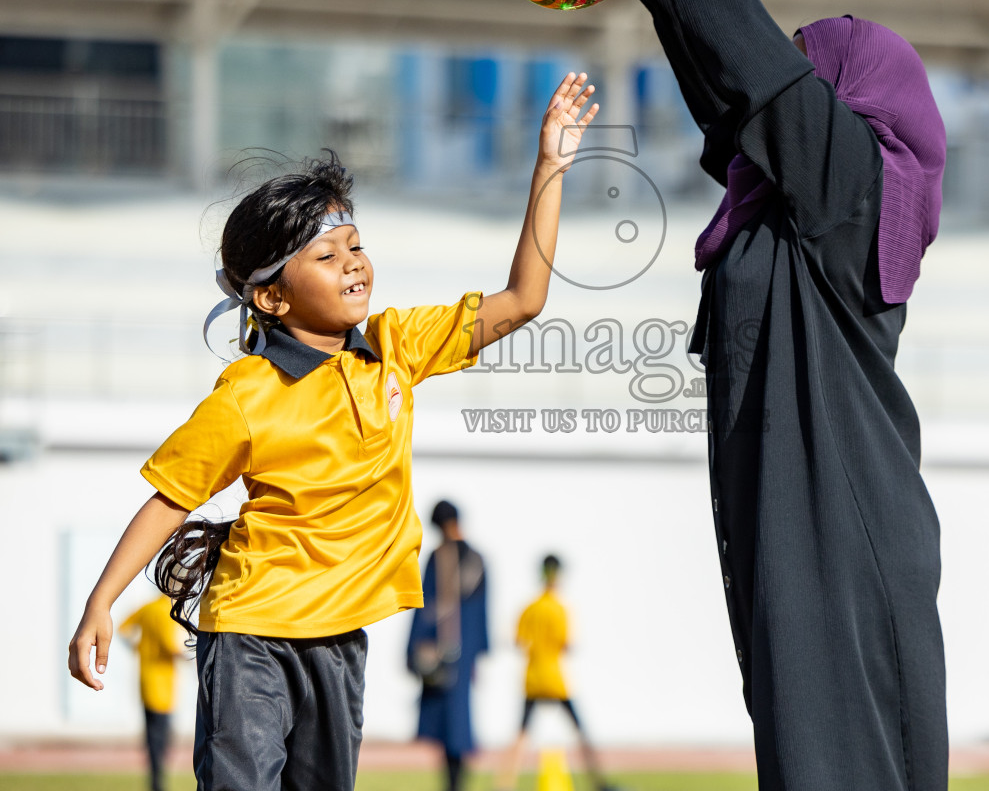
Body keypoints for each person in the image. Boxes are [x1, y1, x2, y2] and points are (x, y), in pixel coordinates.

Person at [64, 72, 601, 791]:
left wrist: (549, 168)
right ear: (272, 295)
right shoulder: (246, 395)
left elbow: (524, 301)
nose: (353, 262)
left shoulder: (396, 346)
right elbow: (170, 499)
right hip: (252, 633)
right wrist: (101, 601)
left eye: (356, 245)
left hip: (341, 641)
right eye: (328, 254)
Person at [577, 0, 949, 791]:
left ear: (852, 97)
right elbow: (735, 91)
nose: (787, 73)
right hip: (801, 541)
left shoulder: (853, 194)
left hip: (845, 535)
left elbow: (760, 77)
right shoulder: (788, 207)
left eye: (811, 67)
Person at [496, 555, 613, 791]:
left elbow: (518, 641)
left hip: (533, 677)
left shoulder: (530, 607)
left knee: (521, 733)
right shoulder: (559, 608)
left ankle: (504, 784)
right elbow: (567, 644)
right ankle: (598, 780)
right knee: (580, 731)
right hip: (555, 678)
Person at [408, 500, 490, 791]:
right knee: (459, 726)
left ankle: (453, 786)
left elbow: (423, 607)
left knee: (449, 729)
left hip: (440, 655)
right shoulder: (478, 559)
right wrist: (479, 653)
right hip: (463, 655)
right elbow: (482, 614)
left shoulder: (438, 557)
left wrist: (412, 652)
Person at [118, 594, 182, 791]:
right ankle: (157, 786)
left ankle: (156, 784)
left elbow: (123, 628)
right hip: (162, 685)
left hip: (146, 680)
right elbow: (169, 646)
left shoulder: (147, 607)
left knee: (153, 737)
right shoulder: (166, 612)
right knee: (160, 740)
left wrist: (137, 647)